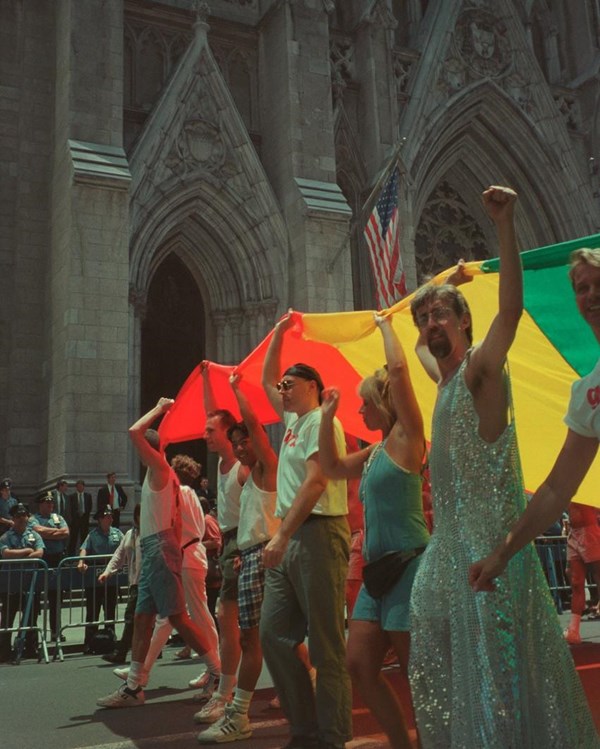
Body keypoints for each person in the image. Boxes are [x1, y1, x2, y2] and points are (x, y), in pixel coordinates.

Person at [408, 188, 599, 747]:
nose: (430, 325)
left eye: (440, 316)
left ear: (465, 322)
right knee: (444, 668)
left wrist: (507, 223)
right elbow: (558, 487)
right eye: (424, 320)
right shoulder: (444, 384)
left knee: (500, 685)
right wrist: (430, 294)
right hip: (457, 554)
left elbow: (510, 311)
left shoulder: (479, 372)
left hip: (487, 546)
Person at [319, 314, 429, 749]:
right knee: (359, 664)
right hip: (375, 576)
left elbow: (399, 371)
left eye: (364, 402)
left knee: (415, 675)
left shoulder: (409, 436)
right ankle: (403, 743)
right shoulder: (375, 450)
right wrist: (327, 419)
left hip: (409, 570)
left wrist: (385, 324)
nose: (359, 410)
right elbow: (330, 468)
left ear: (382, 401)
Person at [260, 315, 351, 749]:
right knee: (273, 634)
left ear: (312, 387)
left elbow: (317, 483)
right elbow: (265, 382)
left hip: (318, 534)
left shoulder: (320, 422)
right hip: (291, 536)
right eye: (282, 388)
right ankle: (305, 728)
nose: (282, 391)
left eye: (289, 385)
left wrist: (279, 536)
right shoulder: (294, 424)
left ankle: (331, 737)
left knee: (326, 644)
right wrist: (277, 334)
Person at [97, 398, 220, 709]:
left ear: (150, 450)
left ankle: (217, 671)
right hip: (156, 547)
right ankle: (134, 686)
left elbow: (134, 431)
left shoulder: (160, 467)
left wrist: (159, 409)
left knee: (177, 616)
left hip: (159, 547)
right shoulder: (162, 474)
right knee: (143, 617)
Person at [196, 373, 279, 743]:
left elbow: (255, 429)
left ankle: (235, 708)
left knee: (255, 637)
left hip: (262, 553)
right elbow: (216, 416)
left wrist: (237, 388)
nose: (239, 447)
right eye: (235, 442)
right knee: (266, 635)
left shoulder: (260, 469)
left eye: (243, 441)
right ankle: (302, 682)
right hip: (248, 554)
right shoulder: (233, 468)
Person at [113, 455, 220, 689]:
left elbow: (173, 524)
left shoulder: (177, 493)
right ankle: (140, 670)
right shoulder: (193, 495)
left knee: (194, 615)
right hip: (190, 554)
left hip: (185, 556)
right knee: (168, 618)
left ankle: (215, 668)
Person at [193, 363, 249, 722]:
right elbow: (216, 414)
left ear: (229, 434)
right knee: (235, 623)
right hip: (231, 547)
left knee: (250, 627)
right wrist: (206, 378)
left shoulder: (242, 468)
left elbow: (260, 512)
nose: (205, 435)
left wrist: (245, 549)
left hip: (243, 548)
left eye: (211, 431)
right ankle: (226, 693)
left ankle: (226, 695)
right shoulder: (221, 464)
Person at [0, 503, 44, 661]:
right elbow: (6, 553)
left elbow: (40, 552)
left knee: (31, 617)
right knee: (7, 619)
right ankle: (3, 651)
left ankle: (30, 649)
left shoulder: (34, 535)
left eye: (24, 516)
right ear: (13, 518)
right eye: (18, 516)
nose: (21, 519)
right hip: (11, 585)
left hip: (29, 584)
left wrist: (24, 556)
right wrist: (26, 551)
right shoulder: (6, 537)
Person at [99, 503, 142, 664]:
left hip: (146, 583)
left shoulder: (151, 534)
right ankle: (149, 650)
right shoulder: (130, 534)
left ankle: (121, 652)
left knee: (132, 618)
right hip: (134, 583)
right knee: (140, 620)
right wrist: (107, 571)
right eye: (139, 514)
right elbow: (119, 555)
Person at [78, 506, 124, 654]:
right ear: (100, 519)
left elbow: (125, 548)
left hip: (112, 578)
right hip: (95, 578)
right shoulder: (93, 535)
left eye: (111, 516)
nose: (110, 518)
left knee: (110, 610)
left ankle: (110, 640)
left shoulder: (117, 533)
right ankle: (89, 642)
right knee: (92, 611)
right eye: (107, 516)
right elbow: (84, 549)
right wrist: (81, 561)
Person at [30, 491, 69, 640]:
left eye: (52, 503)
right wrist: (56, 532)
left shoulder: (58, 518)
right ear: (41, 504)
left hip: (57, 560)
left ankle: (55, 631)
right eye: (47, 503)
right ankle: (32, 633)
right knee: (35, 597)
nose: (50, 505)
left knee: (56, 598)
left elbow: (66, 532)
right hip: (42, 560)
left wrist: (49, 533)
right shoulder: (34, 519)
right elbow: (38, 532)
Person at [562, 502, 600, 643]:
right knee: (576, 583)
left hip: (590, 532)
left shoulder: (588, 484)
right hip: (574, 535)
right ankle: (574, 630)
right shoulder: (566, 486)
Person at [67, 479, 92, 556]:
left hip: (84, 520)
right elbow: (70, 508)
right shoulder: (72, 496)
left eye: (81, 486)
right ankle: (71, 555)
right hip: (75, 521)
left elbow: (90, 506)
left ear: (83, 487)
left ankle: (83, 555)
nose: (80, 488)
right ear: (76, 487)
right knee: (73, 539)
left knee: (84, 539)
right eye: (78, 486)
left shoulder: (88, 496)